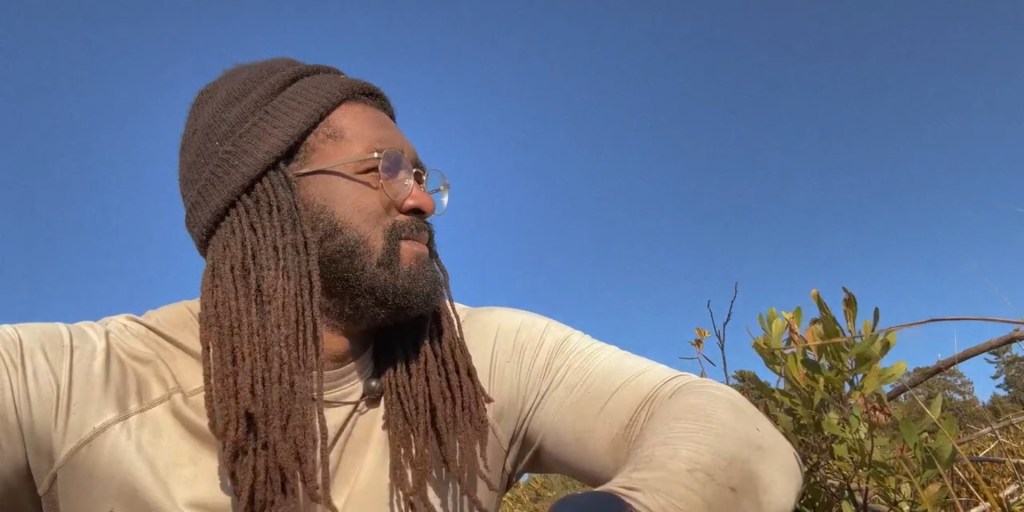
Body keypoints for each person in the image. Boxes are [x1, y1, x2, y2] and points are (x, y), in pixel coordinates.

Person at [0, 57, 804, 512]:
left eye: (420, 175)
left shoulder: (473, 357)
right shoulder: (71, 384)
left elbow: (721, 426)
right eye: (381, 169)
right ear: (264, 197)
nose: (418, 199)